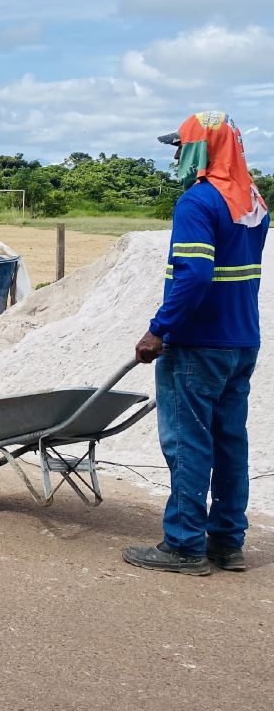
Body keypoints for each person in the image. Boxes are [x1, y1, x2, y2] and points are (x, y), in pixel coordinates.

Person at [124, 111, 268, 576]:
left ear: (200, 151)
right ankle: (227, 543)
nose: (177, 157)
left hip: (197, 344)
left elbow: (195, 274)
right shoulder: (254, 201)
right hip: (241, 341)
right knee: (230, 443)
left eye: (180, 148)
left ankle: (184, 545)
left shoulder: (197, 202)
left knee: (188, 444)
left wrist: (159, 329)